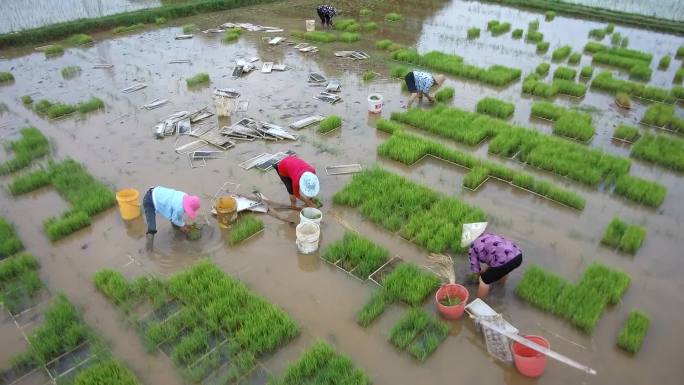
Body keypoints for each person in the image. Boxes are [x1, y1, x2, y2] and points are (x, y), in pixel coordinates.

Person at [461, 222, 523, 299]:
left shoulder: (473, 248)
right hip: (518, 255)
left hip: (504, 262)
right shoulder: (489, 235)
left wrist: (481, 275)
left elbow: (476, 270)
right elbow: (494, 255)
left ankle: (479, 302)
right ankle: (500, 286)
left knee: (484, 280)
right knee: (503, 269)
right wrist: (487, 270)